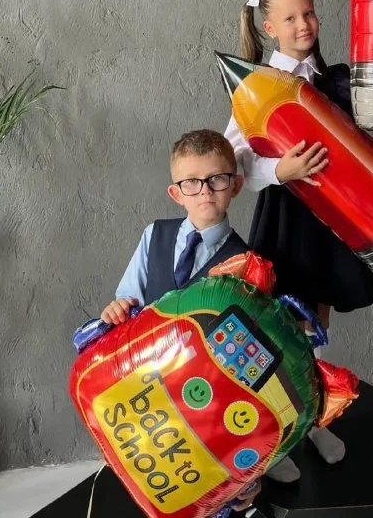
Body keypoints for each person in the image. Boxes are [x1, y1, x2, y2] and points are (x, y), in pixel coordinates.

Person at [225, 0, 373, 482]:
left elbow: (357, 143)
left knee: (316, 327)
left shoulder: (336, 78)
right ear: (269, 28)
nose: (304, 25)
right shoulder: (257, 86)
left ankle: (311, 421)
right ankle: (276, 437)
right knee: (282, 330)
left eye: (308, 13)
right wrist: (279, 170)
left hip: (334, 219)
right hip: (289, 222)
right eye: (290, 18)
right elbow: (234, 162)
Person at [101, 129, 258, 510]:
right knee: (152, 486)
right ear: (176, 192)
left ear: (235, 185)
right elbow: (128, 301)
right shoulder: (154, 235)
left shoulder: (246, 264)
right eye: (192, 182)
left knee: (203, 489)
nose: (205, 191)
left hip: (204, 401)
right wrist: (116, 310)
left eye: (217, 179)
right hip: (146, 392)